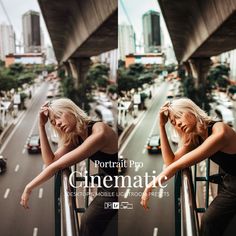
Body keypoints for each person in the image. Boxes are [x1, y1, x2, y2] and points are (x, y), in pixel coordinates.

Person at [20, 98, 118, 236]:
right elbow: (50, 162)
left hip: (116, 187)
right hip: (105, 182)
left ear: (71, 110)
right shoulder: (78, 136)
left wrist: (29, 187)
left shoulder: (99, 132)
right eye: (53, 122)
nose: (57, 124)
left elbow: (57, 166)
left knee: (88, 220)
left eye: (58, 117)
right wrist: (41, 126)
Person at [140, 98, 236, 236]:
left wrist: (151, 185)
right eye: (173, 122)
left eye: (179, 116)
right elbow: (170, 162)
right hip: (227, 178)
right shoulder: (197, 137)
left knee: (209, 220)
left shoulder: (220, 131)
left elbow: (180, 164)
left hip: (233, 185)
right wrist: (161, 126)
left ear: (191, 110)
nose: (177, 123)